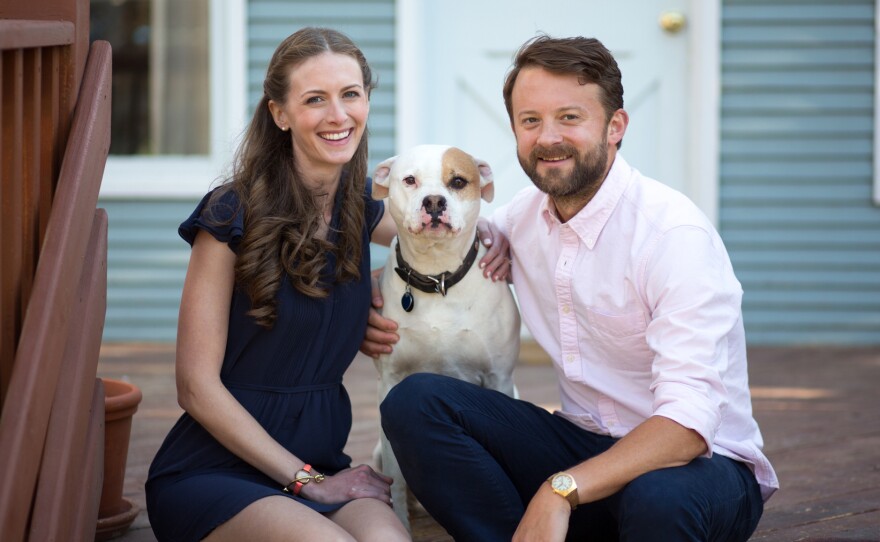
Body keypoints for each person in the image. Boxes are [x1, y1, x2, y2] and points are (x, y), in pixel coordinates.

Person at [363, 35, 778, 542]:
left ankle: (560, 513)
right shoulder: (520, 219)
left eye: (570, 118)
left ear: (615, 126)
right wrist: (372, 286)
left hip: (698, 464)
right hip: (582, 441)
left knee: (657, 500)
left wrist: (559, 489)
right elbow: (439, 232)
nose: (548, 138)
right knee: (414, 403)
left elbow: (688, 427)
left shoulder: (673, 237)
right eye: (531, 121)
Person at [145, 27, 410, 542]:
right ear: (280, 114)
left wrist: (500, 238)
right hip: (215, 473)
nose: (338, 115)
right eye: (315, 100)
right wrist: (307, 482)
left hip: (320, 464)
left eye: (350, 95)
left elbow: (447, 235)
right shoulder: (230, 213)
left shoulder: (360, 211)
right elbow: (194, 387)